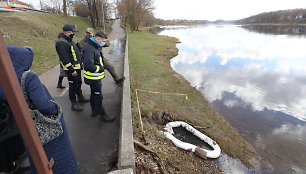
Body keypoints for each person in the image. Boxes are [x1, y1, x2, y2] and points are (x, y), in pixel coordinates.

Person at [0, 46, 80, 174]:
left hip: (26, 128)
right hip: (46, 127)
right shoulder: (28, 77)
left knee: (37, 158)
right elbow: (43, 104)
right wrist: (55, 110)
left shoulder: (4, 83)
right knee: (60, 156)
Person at [55, 25, 89, 111]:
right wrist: (71, 70)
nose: (73, 33)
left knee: (79, 82)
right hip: (71, 70)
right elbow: (64, 58)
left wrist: (81, 63)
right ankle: (73, 103)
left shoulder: (69, 41)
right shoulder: (61, 43)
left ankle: (80, 97)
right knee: (72, 85)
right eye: (71, 32)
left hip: (77, 67)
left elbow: (75, 54)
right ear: (66, 32)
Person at [82, 32, 114, 121]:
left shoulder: (92, 45)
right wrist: (100, 69)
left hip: (93, 77)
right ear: (98, 39)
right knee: (98, 96)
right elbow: (88, 65)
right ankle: (103, 114)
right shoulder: (89, 48)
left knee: (93, 94)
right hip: (93, 77)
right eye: (102, 41)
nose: (103, 44)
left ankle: (94, 110)